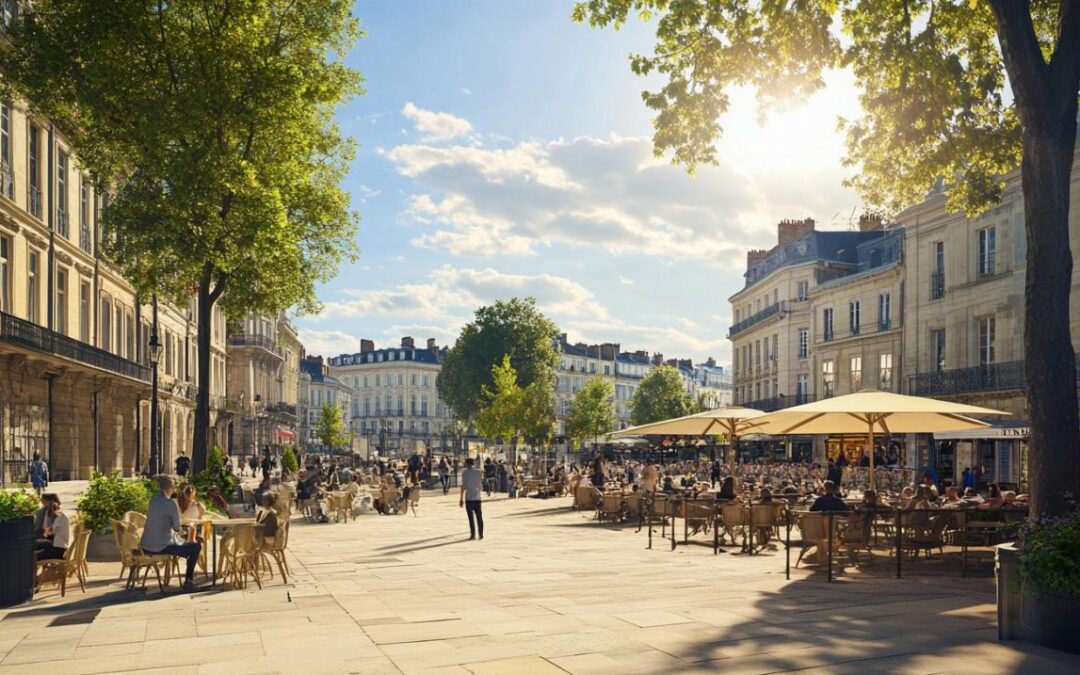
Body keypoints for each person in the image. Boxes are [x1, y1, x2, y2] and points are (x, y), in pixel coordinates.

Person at [141, 475, 201, 591]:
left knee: (183, 544)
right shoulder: (170, 504)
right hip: (161, 546)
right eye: (173, 487)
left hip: (145, 545)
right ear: (170, 488)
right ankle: (188, 581)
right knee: (195, 547)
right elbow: (177, 528)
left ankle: (186, 579)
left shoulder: (153, 500)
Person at [35, 495, 70, 560]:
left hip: (57, 550)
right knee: (36, 544)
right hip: (57, 547)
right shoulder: (61, 517)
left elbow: (49, 532)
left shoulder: (60, 518)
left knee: (33, 553)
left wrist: (44, 530)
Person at [460, 457, 484, 540]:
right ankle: (481, 534)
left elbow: (463, 486)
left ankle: (473, 534)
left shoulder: (465, 472)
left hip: (469, 497)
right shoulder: (479, 472)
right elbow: (480, 484)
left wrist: (461, 498)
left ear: (467, 464)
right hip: (477, 496)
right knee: (479, 517)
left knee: (471, 518)